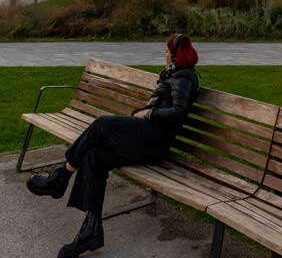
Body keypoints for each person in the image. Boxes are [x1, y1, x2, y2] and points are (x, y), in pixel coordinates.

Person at [26, 33, 200, 258]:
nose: (164, 53)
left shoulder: (184, 77)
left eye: (166, 49)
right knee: (94, 156)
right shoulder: (175, 74)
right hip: (147, 138)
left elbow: (178, 112)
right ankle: (90, 232)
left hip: (155, 142)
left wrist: (148, 113)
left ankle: (62, 176)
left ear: (175, 54)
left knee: (102, 125)